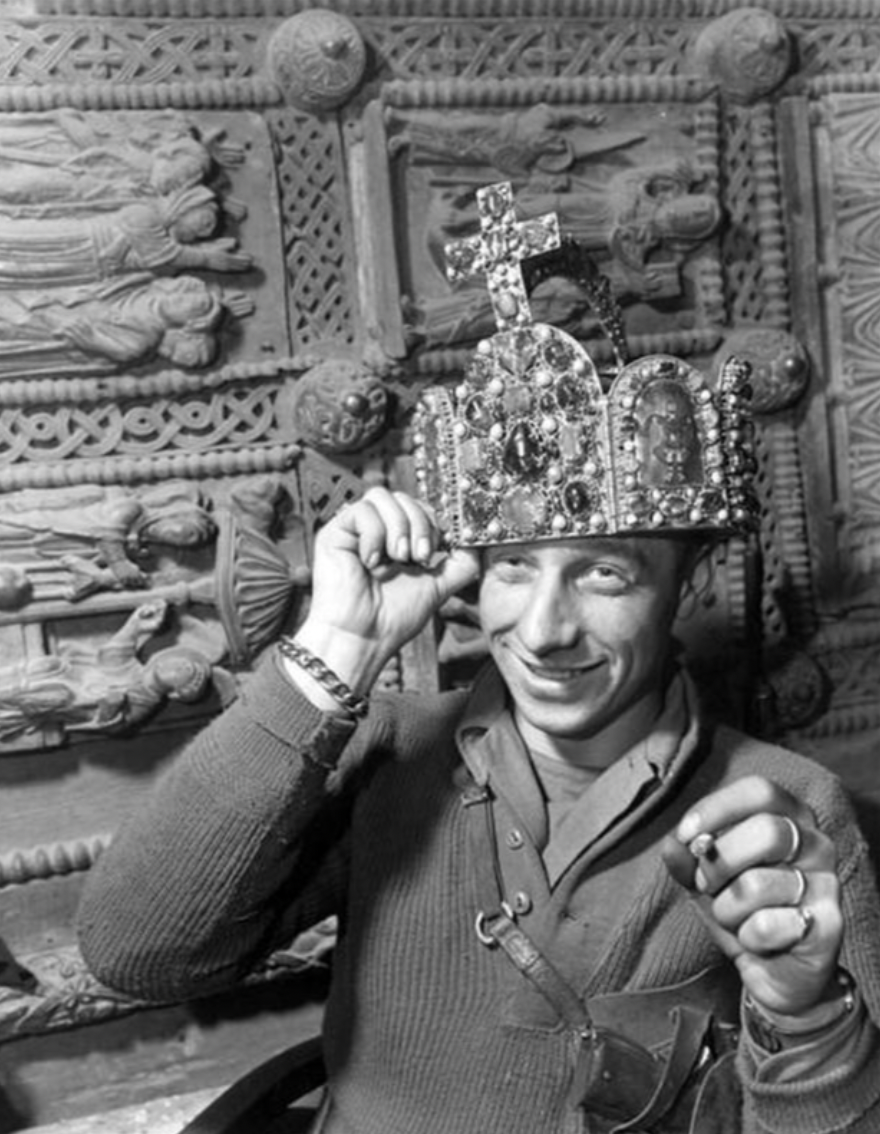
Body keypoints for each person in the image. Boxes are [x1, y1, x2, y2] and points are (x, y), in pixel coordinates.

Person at [77, 184, 880, 1133]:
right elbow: (136, 953)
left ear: (687, 588)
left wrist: (804, 1017)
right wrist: (332, 655)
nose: (542, 629)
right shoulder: (388, 750)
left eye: (604, 575)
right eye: (510, 570)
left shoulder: (787, 810)